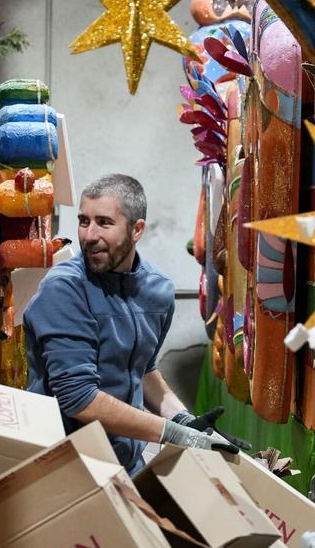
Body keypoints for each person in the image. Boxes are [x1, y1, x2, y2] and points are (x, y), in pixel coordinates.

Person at [24, 173, 239, 473]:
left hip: (126, 465)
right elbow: (78, 398)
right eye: (84, 221)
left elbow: (143, 369)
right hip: (65, 466)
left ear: (137, 230)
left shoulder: (158, 290)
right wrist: (175, 434)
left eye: (104, 222)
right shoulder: (64, 289)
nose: (89, 235)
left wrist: (186, 422)